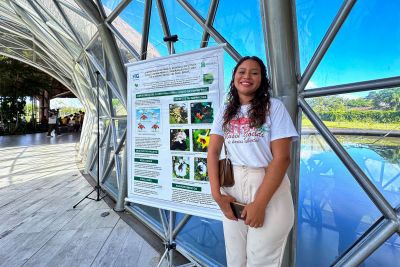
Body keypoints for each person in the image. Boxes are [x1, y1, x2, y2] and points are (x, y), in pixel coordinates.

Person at [207, 56, 298, 267]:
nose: (247, 76)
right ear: (234, 77)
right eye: (242, 71)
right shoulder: (226, 110)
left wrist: (259, 204)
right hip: (232, 186)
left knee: (261, 260)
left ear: (262, 79)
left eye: (254, 72)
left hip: (267, 184)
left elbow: (282, 158)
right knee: (235, 258)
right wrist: (216, 195)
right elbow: (212, 151)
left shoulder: (273, 107)